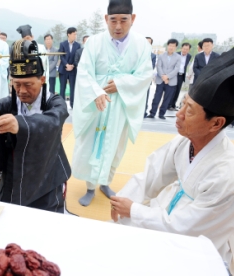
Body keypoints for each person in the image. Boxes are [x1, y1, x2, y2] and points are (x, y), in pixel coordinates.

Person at [111, 48, 234, 275]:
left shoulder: (229, 173)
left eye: (189, 110)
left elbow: (188, 228)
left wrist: (134, 210)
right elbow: (152, 174)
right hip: (174, 214)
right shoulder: (185, 142)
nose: (179, 114)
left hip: (205, 242)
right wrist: (124, 201)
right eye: (182, 104)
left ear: (216, 123)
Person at [0, 39, 71, 213]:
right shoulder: (10, 103)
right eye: (16, 84)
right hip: (13, 175)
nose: (21, 91)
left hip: (47, 175)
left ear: (42, 80)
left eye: (28, 84)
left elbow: (52, 122)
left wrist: (20, 124)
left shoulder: (55, 102)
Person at [72, 0, 153, 206]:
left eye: (123, 20)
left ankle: (106, 183)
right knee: (92, 143)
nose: (118, 26)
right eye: (113, 20)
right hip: (96, 104)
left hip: (122, 104)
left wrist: (122, 84)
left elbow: (145, 75)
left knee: (116, 144)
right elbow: (84, 72)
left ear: (132, 19)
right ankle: (90, 187)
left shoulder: (142, 44)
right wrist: (96, 92)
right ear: (106, 19)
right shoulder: (94, 42)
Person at [146, 39, 181, 119]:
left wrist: (167, 77)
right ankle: (152, 113)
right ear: (167, 46)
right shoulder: (161, 56)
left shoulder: (178, 57)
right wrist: (163, 76)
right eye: (170, 45)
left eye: (173, 46)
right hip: (160, 80)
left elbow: (176, 69)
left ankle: (162, 114)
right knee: (156, 97)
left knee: (167, 98)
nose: (171, 47)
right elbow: (159, 67)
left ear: (176, 47)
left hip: (171, 81)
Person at [16, 25, 50, 91]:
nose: (27, 40)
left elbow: (43, 63)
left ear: (32, 37)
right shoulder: (20, 49)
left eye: (28, 38)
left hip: (38, 75)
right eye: (24, 39)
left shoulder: (41, 47)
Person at [58, 27, 80, 109]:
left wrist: (73, 65)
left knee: (72, 88)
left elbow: (77, 57)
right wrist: (66, 65)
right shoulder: (62, 44)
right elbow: (61, 56)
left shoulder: (78, 45)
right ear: (69, 34)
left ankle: (72, 104)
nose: (75, 36)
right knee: (62, 88)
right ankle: (61, 105)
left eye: (76, 34)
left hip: (73, 70)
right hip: (63, 69)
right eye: (74, 34)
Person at [168, 42, 192, 111]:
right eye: (184, 49)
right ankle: (168, 105)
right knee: (172, 90)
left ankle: (173, 105)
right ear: (181, 48)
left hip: (181, 75)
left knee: (178, 91)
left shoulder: (189, 56)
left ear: (189, 50)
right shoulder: (175, 54)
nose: (185, 50)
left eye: (187, 49)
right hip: (174, 75)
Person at [144, 36, 156, 118]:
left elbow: (151, 68)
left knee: (146, 96)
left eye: (149, 42)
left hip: (146, 79)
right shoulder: (136, 53)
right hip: (135, 79)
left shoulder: (153, 56)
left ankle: (144, 112)